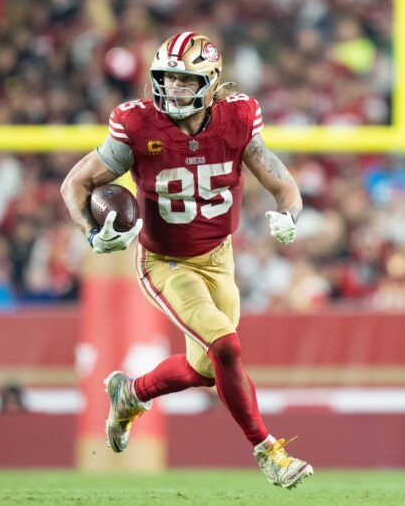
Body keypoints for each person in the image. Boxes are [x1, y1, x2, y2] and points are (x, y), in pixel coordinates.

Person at [61, 32, 312, 488]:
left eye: (184, 80)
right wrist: (92, 233)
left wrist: (289, 214)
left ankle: (129, 393)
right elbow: (75, 185)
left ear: (211, 83)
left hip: (219, 257)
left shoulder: (237, 118)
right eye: (166, 79)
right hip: (165, 261)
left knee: (205, 367)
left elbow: (283, 184)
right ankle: (268, 450)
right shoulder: (138, 125)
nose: (172, 89)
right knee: (227, 346)